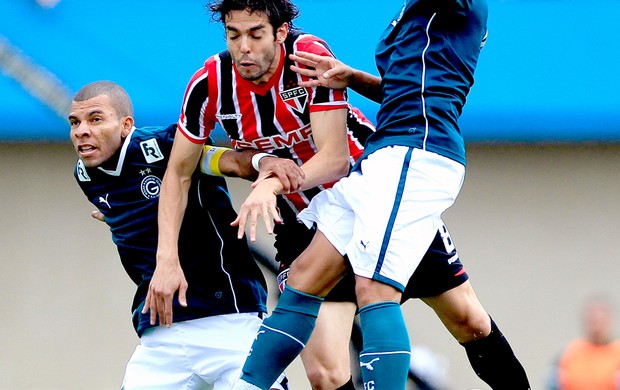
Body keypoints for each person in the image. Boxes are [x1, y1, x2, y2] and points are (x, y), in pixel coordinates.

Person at [231, 1, 532, 389]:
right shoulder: (411, 14)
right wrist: (351, 77)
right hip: (384, 156)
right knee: (304, 276)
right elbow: (406, 90)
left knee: (378, 289)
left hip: (417, 153)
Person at [153, 1, 377, 389]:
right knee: (326, 374)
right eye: (233, 35)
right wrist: (166, 259)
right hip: (302, 224)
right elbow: (178, 171)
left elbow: (335, 159)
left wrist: (270, 184)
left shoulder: (307, 59)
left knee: (467, 319)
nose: (243, 47)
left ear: (280, 32)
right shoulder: (209, 84)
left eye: (255, 34)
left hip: (369, 201)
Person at [69, 80, 292, 389]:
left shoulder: (165, 146)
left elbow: (231, 162)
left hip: (228, 316)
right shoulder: (86, 175)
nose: (81, 130)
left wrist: (263, 163)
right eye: (75, 122)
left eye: (95, 119)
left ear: (125, 125)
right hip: (162, 331)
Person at [547, 296, 620, 389]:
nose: (597, 324)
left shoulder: (617, 352)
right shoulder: (568, 354)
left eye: (601, 318)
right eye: (593, 319)